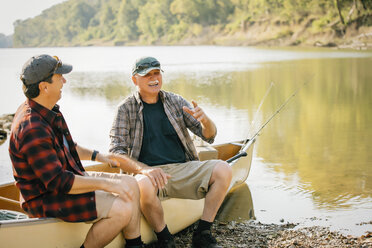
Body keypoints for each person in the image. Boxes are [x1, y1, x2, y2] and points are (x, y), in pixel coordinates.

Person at [9, 54, 149, 248]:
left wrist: (98, 156)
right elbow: (60, 182)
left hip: (66, 182)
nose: (64, 80)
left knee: (130, 183)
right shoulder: (32, 128)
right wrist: (108, 185)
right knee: (122, 208)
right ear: (44, 86)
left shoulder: (48, 110)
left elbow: (68, 146)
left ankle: (134, 244)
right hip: (45, 199)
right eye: (59, 77)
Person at [109, 56, 232, 248]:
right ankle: (166, 239)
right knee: (143, 184)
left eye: (156, 73)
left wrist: (206, 121)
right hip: (148, 176)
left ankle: (203, 233)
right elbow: (115, 154)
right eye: (146, 75)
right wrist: (145, 170)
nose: (153, 78)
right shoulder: (125, 109)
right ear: (134, 80)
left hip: (182, 169)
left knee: (224, 169)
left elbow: (209, 136)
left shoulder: (175, 101)